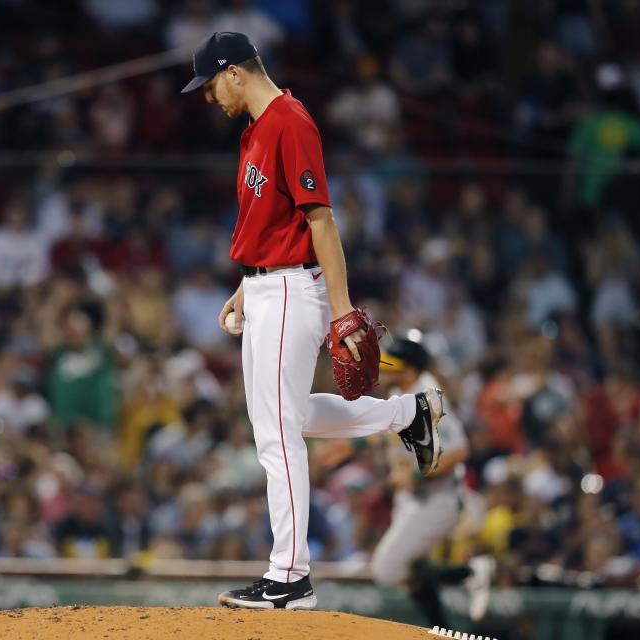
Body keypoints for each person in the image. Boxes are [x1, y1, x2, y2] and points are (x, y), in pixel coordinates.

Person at [180, 32, 445, 610]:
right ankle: (410, 412)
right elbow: (271, 224)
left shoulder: (289, 121)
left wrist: (344, 309)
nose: (207, 99)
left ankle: (291, 576)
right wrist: (246, 285)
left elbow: (320, 221)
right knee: (285, 420)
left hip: (293, 288)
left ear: (234, 73)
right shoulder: (256, 126)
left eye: (209, 85)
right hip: (267, 284)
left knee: (278, 437)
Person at [370, 337, 493, 626]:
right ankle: (442, 630)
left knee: (387, 569)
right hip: (414, 499)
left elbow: (459, 451)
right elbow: (384, 433)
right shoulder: (401, 390)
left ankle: (470, 573)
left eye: (393, 363)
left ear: (410, 368)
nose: (385, 368)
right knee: (412, 569)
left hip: (438, 499)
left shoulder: (428, 395)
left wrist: (412, 475)